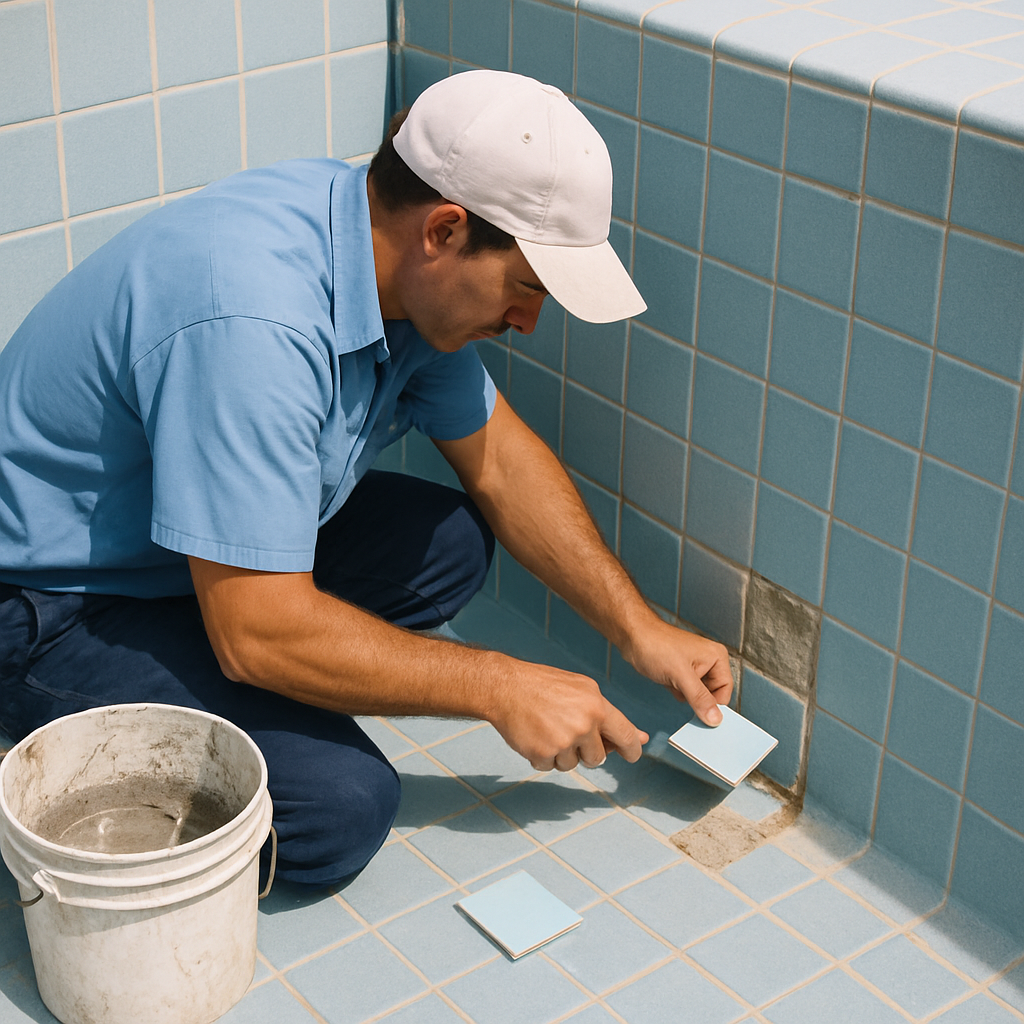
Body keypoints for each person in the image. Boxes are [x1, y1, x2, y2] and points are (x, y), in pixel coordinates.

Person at [0, 71, 732, 888]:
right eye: (528, 288)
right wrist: (497, 686)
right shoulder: (254, 322)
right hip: (55, 600)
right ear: (446, 231)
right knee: (339, 806)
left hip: (170, 547)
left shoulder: (377, 245)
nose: (529, 322)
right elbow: (254, 633)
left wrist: (638, 628)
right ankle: (75, 694)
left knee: (452, 544)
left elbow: (500, 459)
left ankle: (254, 665)